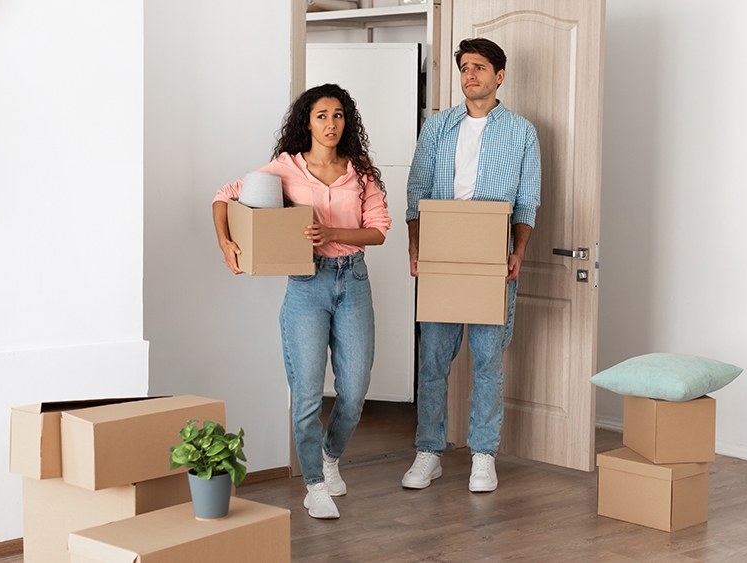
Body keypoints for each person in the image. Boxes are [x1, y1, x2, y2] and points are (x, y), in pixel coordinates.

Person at [211, 83, 391, 519]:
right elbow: (225, 195)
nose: (331, 124)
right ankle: (314, 483)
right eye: (321, 116)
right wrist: (226, 243)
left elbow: (379, 230)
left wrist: (333, 234)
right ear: (306, 123)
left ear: (347, 121)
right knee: (308, 394)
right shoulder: (284, 169)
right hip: (306, 286)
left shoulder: (361, 170)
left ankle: (330, 457)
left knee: (354, 392)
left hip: (354, 281)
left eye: (338, 115)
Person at [403, 38, 541, 493]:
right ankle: (429, 452)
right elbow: (415, 192)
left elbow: (527, 201)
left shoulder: (521, 132)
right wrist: (416, 249)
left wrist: (518, 251)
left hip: (491, 255)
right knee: (433, 359)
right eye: (464, 67)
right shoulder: (437, 127)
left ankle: (484, 455)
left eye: (479, 67)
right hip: (441, 252)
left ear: (499, 76)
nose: (470, 75)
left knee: (488, 361)